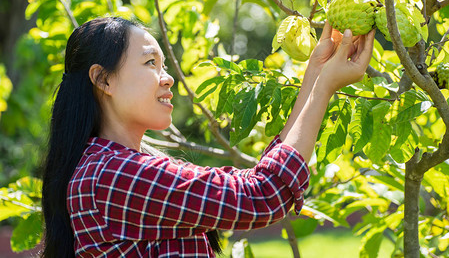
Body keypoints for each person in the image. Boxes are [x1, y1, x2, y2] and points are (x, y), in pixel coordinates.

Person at [41, 16, 375, 257]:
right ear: (103, 80)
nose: (167, 78)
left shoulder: (111, 168)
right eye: (149, 63)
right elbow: (263, 194)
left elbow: (259, 182)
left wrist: (315, 76)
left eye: (163, 64)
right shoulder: (113, 176)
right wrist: (324, 89)